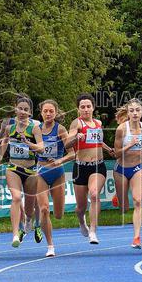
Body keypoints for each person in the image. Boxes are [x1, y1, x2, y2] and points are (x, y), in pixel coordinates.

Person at [49, 94, 110, 244]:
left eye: (88, 106)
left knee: (95, 195)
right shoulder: (77, 123)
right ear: (78, 109)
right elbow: (67, 144)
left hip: (98, 166)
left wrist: (109, 149)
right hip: (80, 168)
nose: (86, 109)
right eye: (82, 107)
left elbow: (98, 141)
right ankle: (82, 222)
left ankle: (94, 231)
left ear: (93, 108)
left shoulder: (98, 123)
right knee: (80, 208)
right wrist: (77, 138)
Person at [0, 95, 47, 249]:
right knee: (16, 197)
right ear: (15, 108)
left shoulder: (35, 128)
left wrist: (27, 142)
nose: (22, 112)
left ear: (30, 112)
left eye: (26, 109)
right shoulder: (9, 127)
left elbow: (41, 148)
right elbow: (4, 140)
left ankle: (34, 224)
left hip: (30, 170)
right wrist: (1, 156)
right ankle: (16, 233)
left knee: (30, 207)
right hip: (13, 168)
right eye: (20, 108)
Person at [112, 99, 142, 249]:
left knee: (138, 201)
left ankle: (137, 238)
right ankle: (118, 197)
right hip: (121, 169)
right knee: (124, 208)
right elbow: (116, 154)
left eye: (138, 110)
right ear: (128, 113)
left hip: (137, 168)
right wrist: (130, 144)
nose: (135, 113)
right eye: (132, 111)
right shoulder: (121, 129)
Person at [34, 99, 69, 236]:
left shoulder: (60, 129)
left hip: (57, 172)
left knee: (59, 214)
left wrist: (59, 160)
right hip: (41, 171)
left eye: (51, 111)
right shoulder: (36, 129)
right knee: (44, 209)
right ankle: (49, 244)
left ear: (55, 113)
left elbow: (72, 153)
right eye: (45, 111)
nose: (48, 114)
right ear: (41, 113)